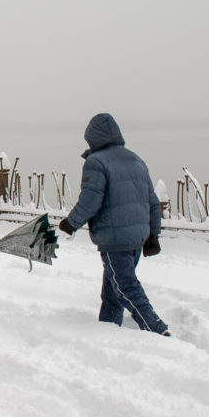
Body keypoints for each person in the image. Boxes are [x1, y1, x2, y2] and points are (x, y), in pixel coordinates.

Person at [58, 113, 170, 336]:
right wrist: (153, 236)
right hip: (138, 237)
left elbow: (90, 201)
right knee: (112, 290)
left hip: (115, 239)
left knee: (125, 287)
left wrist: (71, 223)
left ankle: (157, 329)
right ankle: (107, 331)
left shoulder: (95, 162)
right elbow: (152, 202)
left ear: (92, 138)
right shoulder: (136, 160)